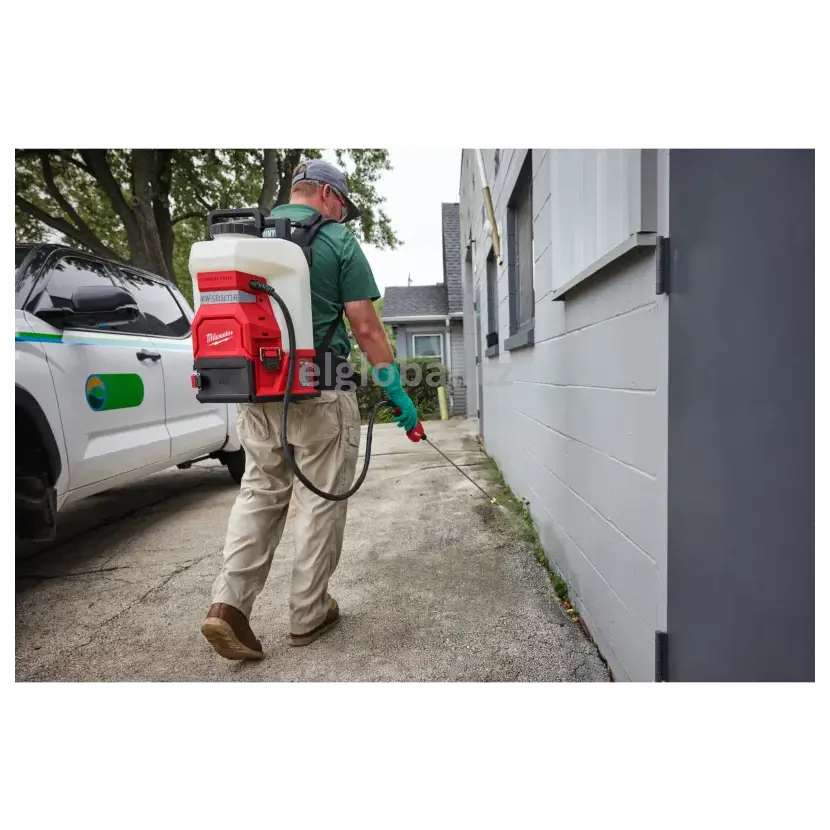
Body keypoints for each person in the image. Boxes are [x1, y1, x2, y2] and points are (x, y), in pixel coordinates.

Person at [201, 159, 419, 660]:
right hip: (322, 392)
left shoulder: (244, 237)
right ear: (326, 194)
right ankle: (308, 613)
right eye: (342, 205)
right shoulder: (337, 240)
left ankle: (227, 608)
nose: (342, 215)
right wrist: (396, 392)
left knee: (259, 494)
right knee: (321, 501)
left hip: (257, 392)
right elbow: (366, 327)